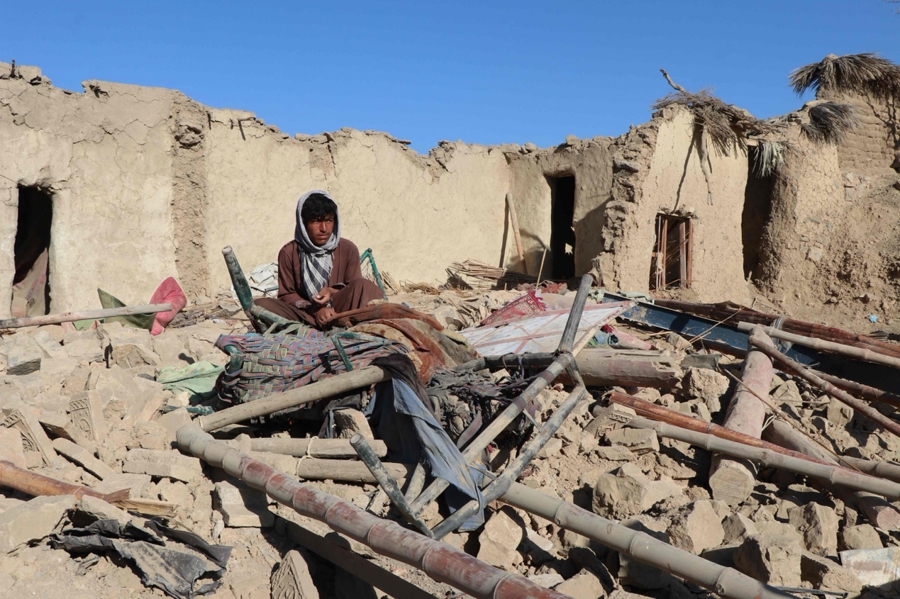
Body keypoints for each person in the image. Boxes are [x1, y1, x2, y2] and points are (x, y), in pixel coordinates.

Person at [254, 190, 384, 329]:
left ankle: (345, 323)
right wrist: (316, 310)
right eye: (316, 221)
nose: (324, 229)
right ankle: (318, 329)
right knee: (260, 306)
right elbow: (287, 294)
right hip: (306, 315)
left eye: (329, 220)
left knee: (365, 285)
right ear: (303, 223)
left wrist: (331, 292)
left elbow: (354, 289)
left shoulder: (348, 249)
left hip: (342, 311)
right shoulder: (289, 252)